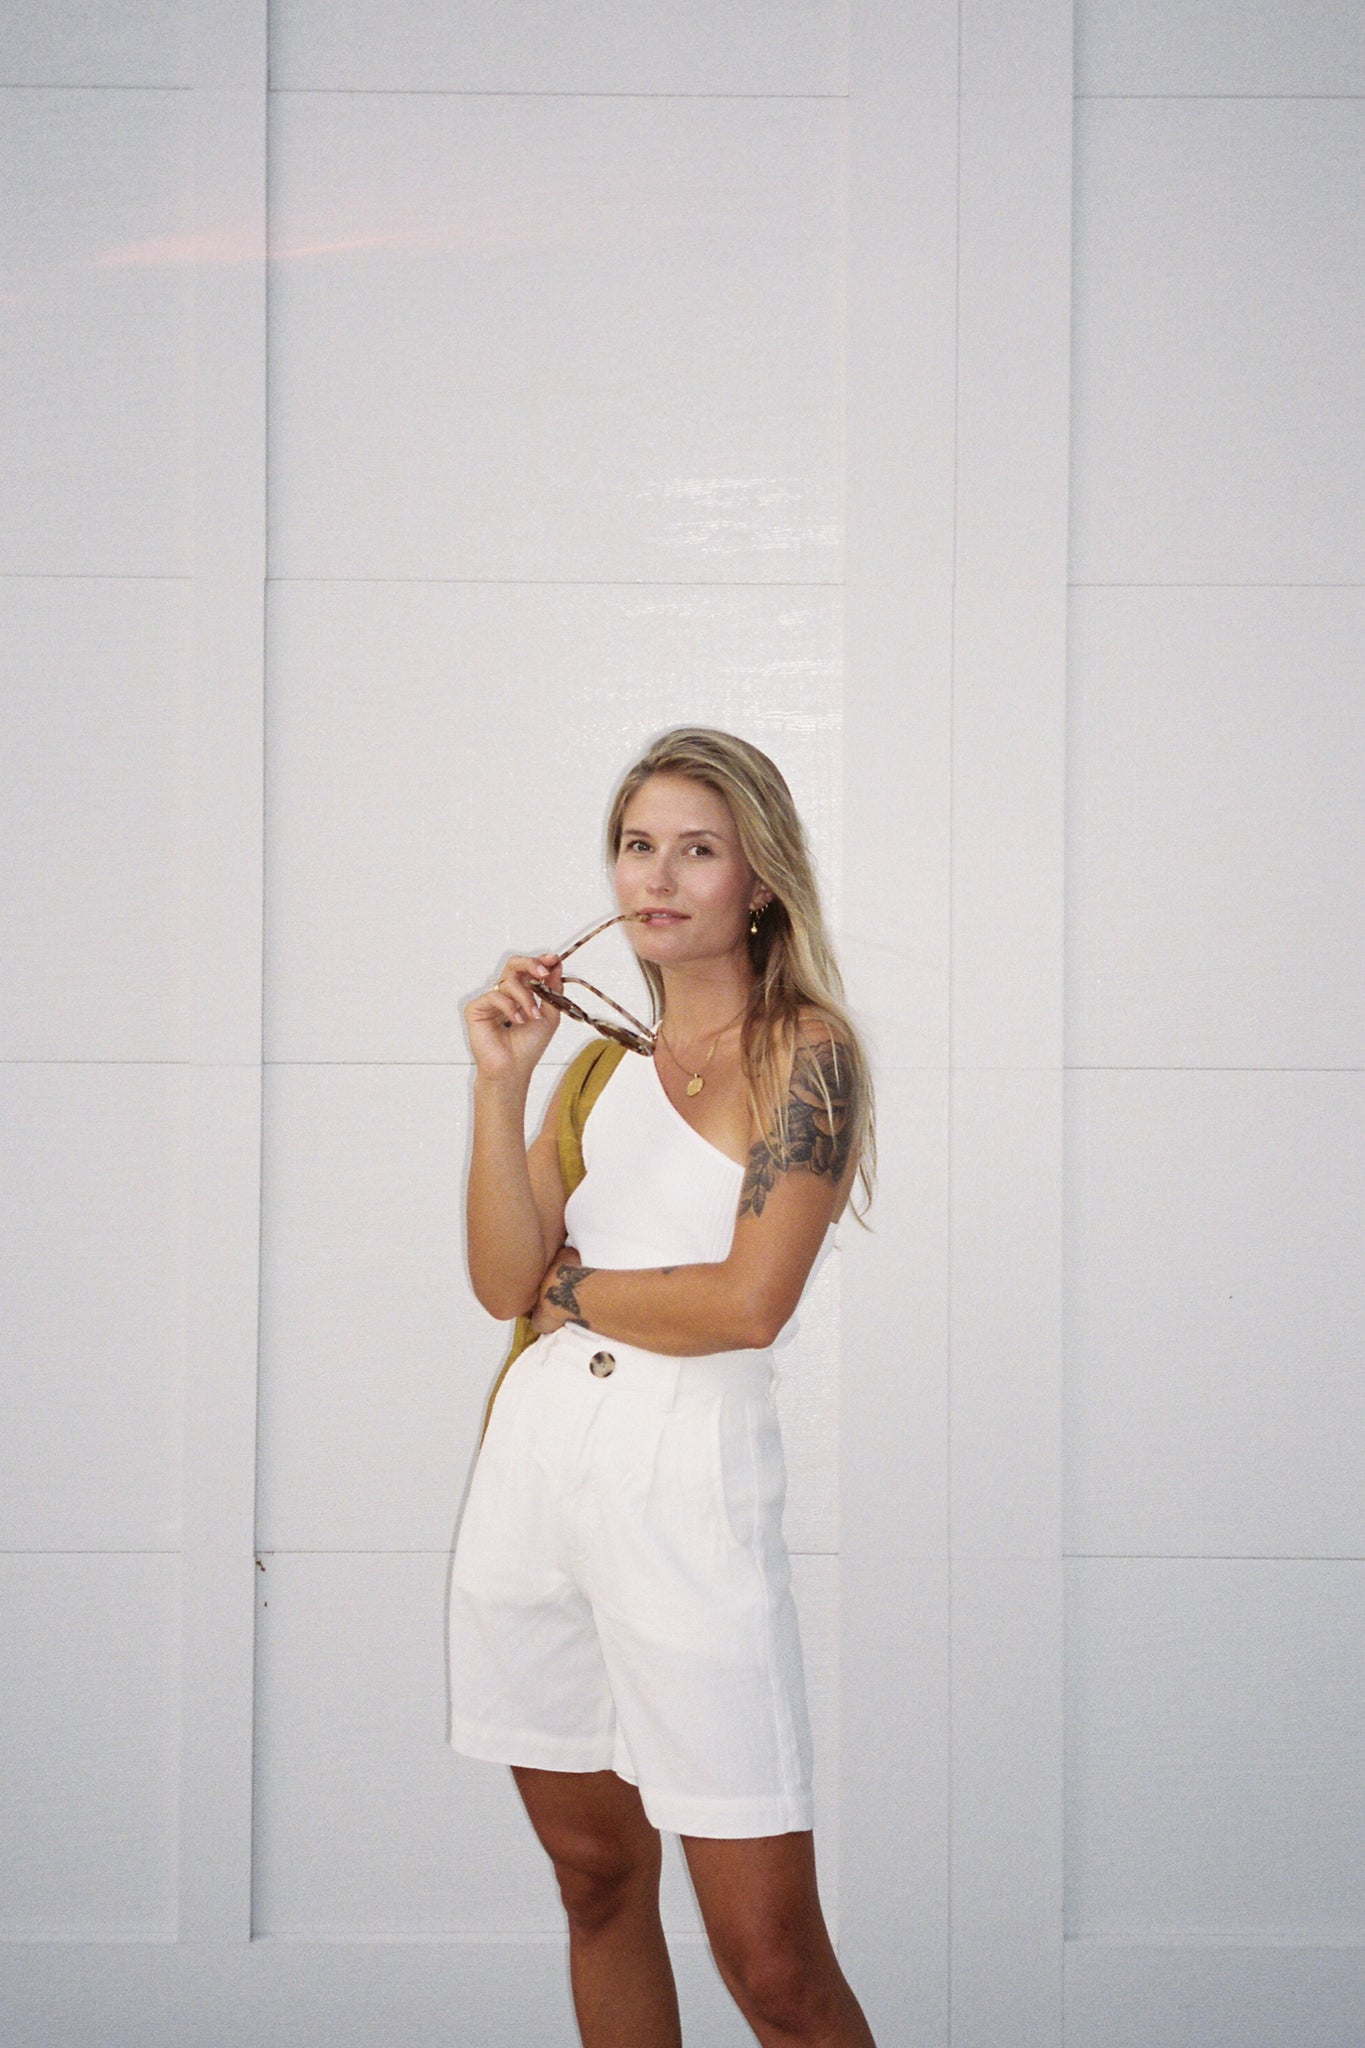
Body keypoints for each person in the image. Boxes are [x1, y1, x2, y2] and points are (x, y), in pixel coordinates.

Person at [450, 727, 878, 2047]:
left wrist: (576, 1294)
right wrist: (502, 1084)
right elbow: (501, 1277)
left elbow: (747, 1304)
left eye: (698, 848)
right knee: (595, 1885)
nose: (658, 874)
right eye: (638, 846)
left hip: (685, 1507)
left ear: (760, 882)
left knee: (773, 1964)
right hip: (536, 1489)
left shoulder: (802, 1055)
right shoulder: (596, 1069)